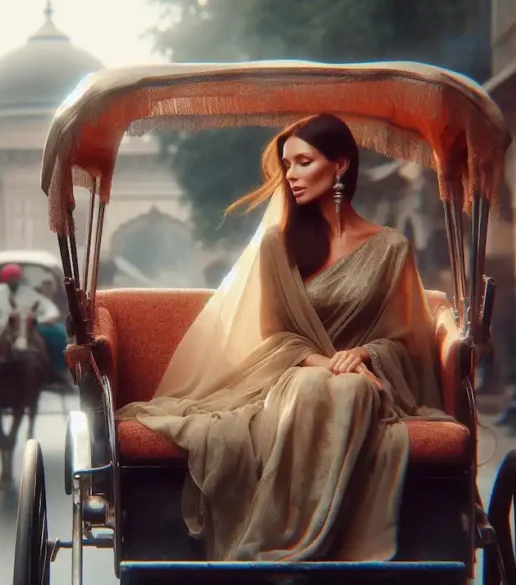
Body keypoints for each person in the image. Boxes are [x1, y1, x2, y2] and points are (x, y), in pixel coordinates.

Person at [116, 114, 449, 562]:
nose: (290, 175)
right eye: (286, 164)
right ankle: (280, 545)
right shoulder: (279, 243)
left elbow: (407, 339)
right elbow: (278, 336)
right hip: (291, 375)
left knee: (350, 388)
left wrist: (366, 353)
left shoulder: (391, 248)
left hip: (367, 378)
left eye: (304, 162)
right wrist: (327, 364)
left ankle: (306, 547)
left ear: (341, 165)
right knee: (320, 385)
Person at [0, 264, 70, 387]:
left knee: (59, 334)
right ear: (5, 279)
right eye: (10, 278)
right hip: (2, 325)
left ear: (19, 278)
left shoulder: (28, 292)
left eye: (15, 277)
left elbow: (50, 308)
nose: (13, 280)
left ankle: (58, 371)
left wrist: (46, 319)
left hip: (28, 325)